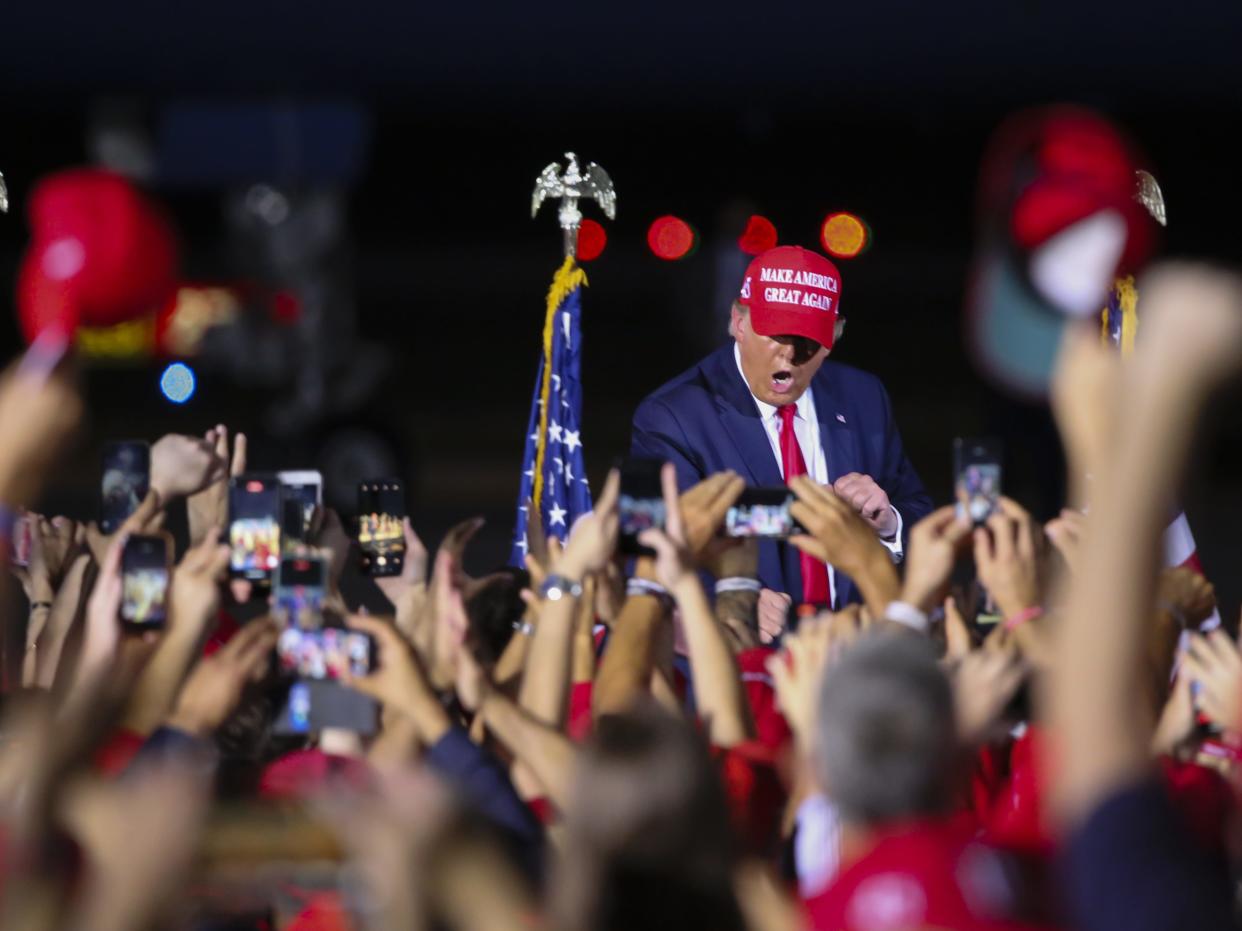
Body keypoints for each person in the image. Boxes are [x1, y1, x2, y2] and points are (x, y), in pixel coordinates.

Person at [631, 245, 932, 610]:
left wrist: (889, 524)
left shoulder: (863, 398)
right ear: (739, 323)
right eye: (776, 334)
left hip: (851, 649)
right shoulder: (672, 417)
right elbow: (650, 546)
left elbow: (919, 516)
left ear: (833, 338)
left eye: (807, 341)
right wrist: (732, 596)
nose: (789, 355)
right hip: (740, 655)